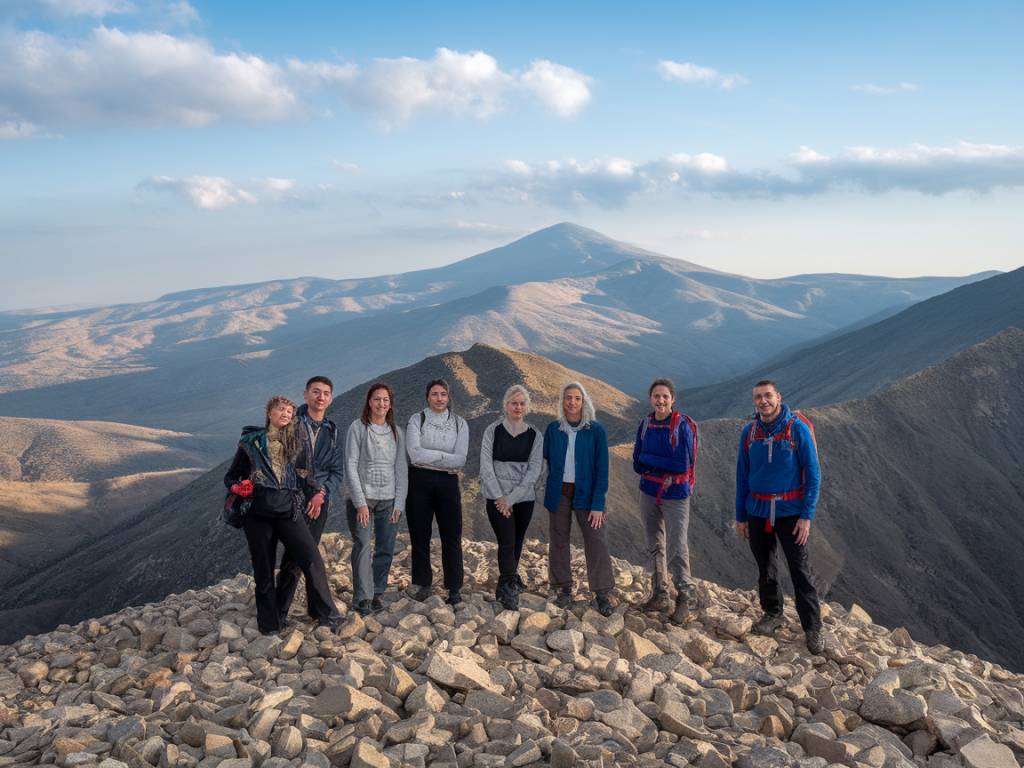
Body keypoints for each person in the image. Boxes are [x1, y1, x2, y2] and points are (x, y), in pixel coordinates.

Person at [224, 396, 342, 635]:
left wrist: (318, 494)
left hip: (288, 509)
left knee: (311, 559)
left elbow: (305, 477)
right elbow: (231, 476)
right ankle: (269, 626)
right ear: (269, 412)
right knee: (263, 568)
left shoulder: (298, 442)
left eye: (290, 411)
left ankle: (328, 615)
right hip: (256, 512)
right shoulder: (250, 441)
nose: (286, 414)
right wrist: (237, 487)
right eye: (281, 410)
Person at [735, 380, 825, 655]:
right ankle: (773, 613)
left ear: (778, 397)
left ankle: (812, 627)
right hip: (757, 511)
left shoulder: (796, 429)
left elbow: (813, 474)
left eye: (768, 396)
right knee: (766, 567)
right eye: (758, 397)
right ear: (754, 402)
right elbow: (742, 477)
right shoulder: (750, 433)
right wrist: (741, 516)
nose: (763, 401)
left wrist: (806, 516)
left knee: (800, 569)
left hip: (790, 513)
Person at [543, 381, 615, 617]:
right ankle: (562, 588)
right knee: (559, 539)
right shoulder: (554, 429)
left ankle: (602, 592)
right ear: (562, 402)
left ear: (584, 402)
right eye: (568, 398)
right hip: (559, 491)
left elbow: (602, 470)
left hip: (588, 493)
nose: (572, 402)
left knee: (596, 539)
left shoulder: (596, 431)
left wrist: (598, 504)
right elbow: (545, 460)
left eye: (577, 398)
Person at [276, 376, 344, 623]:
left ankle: (294, 611)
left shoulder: (332, 430)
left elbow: (337, 471)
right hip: (294, 500)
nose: (321, 397)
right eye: (316, 391)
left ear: (331, 398)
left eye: (326, 393)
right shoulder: (291, 425)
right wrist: (308, 493)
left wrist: (321, 493)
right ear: (305, 395)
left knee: (303, 555)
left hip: (319, 503)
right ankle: (322, 613)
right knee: (303, 556)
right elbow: (284, 465)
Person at [632, 378, 698, 623]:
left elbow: (682, 463)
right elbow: (637, 462)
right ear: (651, 399)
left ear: (673, 399)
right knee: (654, 544)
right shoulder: (645, 424)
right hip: (648, 491)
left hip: (676, 495)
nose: (660, 401)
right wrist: (657, 460)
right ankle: (660, 592)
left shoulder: (682, 426)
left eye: (665, 397)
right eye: (656, 396)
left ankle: (684, 598)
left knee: (678, 546)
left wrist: (651, 458)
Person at [344, 382, 407, 616]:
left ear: (390, 404)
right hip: (364, 499)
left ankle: (377, 592)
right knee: (362, 544)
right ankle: (362, 597)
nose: (381, 403)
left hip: (388, 499)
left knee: (386, 547)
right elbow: (350, 465)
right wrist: (360, 502)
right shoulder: (358, 428)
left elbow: (401, 468)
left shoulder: (396, 432)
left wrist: (399, 502)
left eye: (386, 400)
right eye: (377, 399)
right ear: (369, 402)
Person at [405, 378, 469, 605]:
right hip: (419, 481)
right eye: (434, 394)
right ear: (427, 397)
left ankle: (454, 588)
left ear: (448, 396)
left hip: (448, 484)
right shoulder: (417, 419)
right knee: (419, 534)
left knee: (452, 535)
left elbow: (461, 458)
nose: (439, 398)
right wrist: (445, 459)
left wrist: (431, 456)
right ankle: (423, 584)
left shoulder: (460, 423)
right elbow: (414, 454)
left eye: (443, 394)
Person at [479, 385, 544, 610]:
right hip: (495, 497)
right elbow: (486, 466)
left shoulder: (535, 435)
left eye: (522, 403)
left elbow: (534, 470)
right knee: (506, 540)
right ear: (505, 405)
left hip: (523, 498)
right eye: (513, 403)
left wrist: (511, 499)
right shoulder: (492, 431)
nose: (518, 407)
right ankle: (508, 589)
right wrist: (500, 497)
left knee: (517, 540)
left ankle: (508, 580)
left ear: (527, 407)